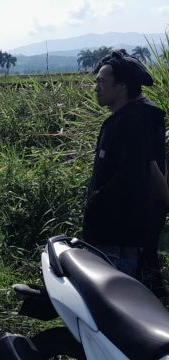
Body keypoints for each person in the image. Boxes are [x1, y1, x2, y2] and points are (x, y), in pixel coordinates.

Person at [83, 50, 168, 293]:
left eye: (101, 81)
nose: (96, 87)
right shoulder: (133, 118)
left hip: (118, 236)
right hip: (120, 234)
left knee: (113, 301)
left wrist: (97, 203)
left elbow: (134, 177)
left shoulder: (133, 123)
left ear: (121, 86)